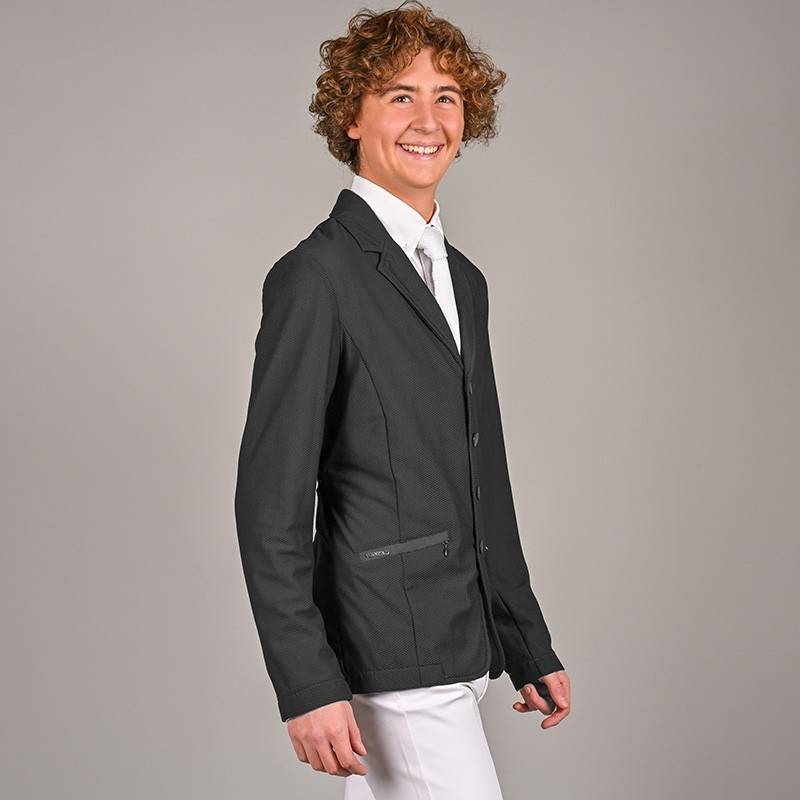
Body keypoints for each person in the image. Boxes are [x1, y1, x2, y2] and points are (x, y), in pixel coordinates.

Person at [234, 2, 571, 797]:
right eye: (400, 96)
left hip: (461, 642)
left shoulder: (465, 281)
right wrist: (306, 681)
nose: (429, 120)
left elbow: (481, 478)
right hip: (390, 651)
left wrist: (525, 639)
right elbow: (270, 504)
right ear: (352, 117)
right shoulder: (316, 278)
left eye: (446, 96)